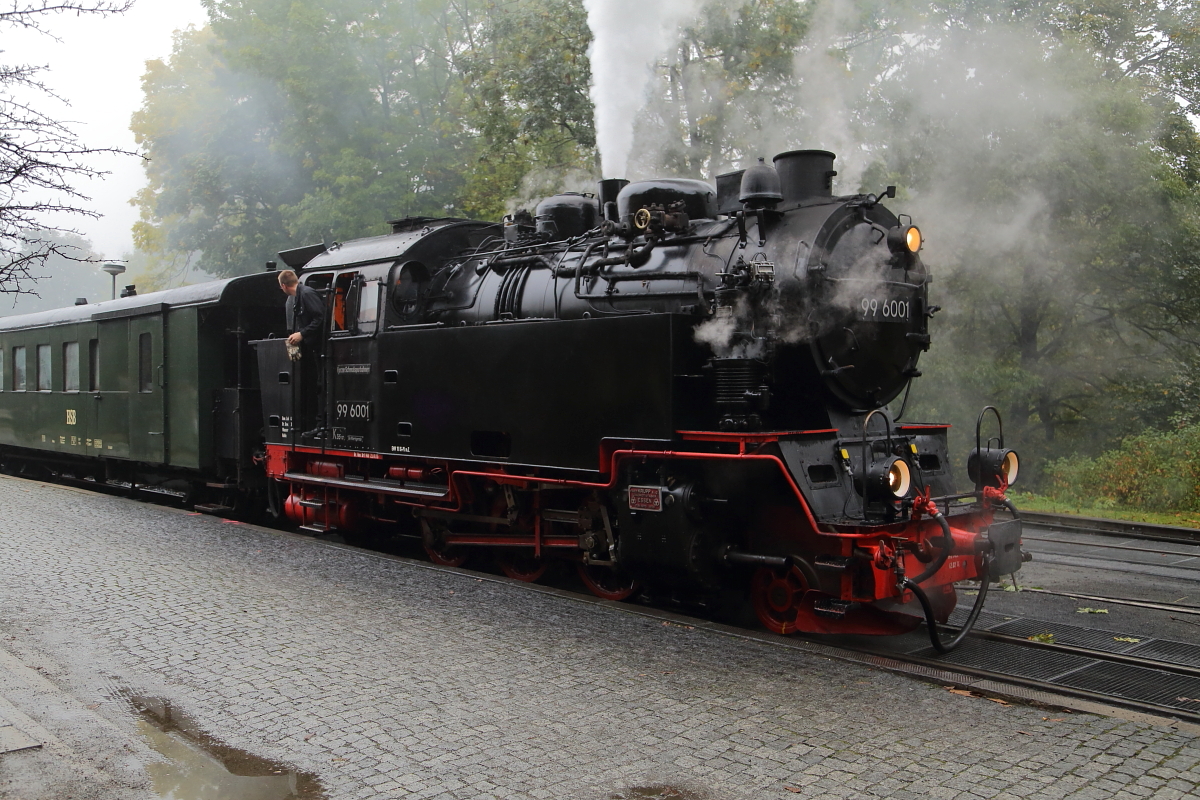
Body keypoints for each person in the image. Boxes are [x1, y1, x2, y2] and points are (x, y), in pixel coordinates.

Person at [278, 270, 327, 436]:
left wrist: (302, 334)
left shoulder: (306, 294)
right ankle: (320, 424)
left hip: (323, 347)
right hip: (315, 347)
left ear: (283, 286)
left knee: (322, 384)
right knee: (319, 384)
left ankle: (322, 425)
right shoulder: (300, 296)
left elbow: (320, 318)